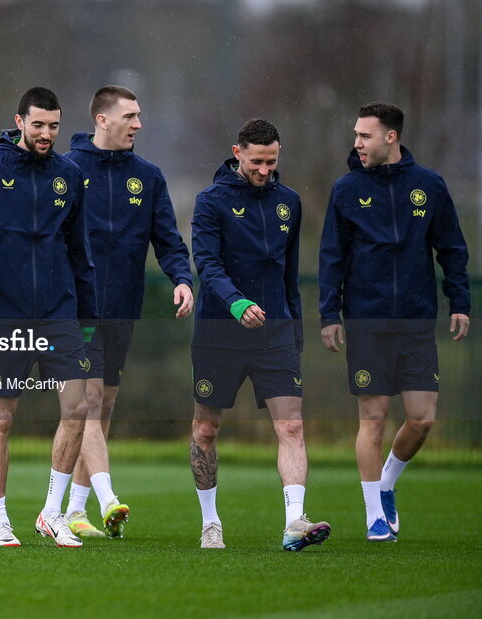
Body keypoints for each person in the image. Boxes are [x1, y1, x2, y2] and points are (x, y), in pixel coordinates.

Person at [0, 87, 98, 548]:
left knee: (77, 408)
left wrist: (88, 313)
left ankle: (51, 513)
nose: (47, 134)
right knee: (1, 419)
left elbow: (80, 248)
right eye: (38, 125)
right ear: (19, 122)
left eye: (54, 126)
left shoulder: (69, 175)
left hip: (58, 312)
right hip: (1, 313)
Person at [318, 102, 471, 542]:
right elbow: (332, 258)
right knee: (374, 419)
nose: (356, 143)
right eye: (355, 135)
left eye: (364, 135)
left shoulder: (429, 185)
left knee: (422, 419)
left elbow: (452, 250)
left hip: (418, 321)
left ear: (391, 137)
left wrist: (458, 301)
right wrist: (331, 314)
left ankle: (386, 484)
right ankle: (374, 518)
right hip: (367, 321)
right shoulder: (346, 189)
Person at [190, 119, 329, 551]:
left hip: (276, 335)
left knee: (291, 426)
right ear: (237, 152)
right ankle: (211, 522)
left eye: (272, 161)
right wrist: (236, 303)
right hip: (220, 333)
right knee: (207, 429)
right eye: (256, 161)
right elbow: (207, 265)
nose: (264, 169)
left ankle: (295, 522)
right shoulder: (210, 201)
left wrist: (297, 330)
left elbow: (289, 275)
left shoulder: (290, 202)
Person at [64, 85, 194, 538]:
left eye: (140, 116)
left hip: (122, 307)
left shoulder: (149, 176)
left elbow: (168, 239)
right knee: (91, 401)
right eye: (131, 116)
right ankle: (108, 499)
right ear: (102, 119)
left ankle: (74, 511)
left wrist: (181, 278)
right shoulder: (68, 168)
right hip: (75, 309)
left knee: (105, 406)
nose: (139, 124)